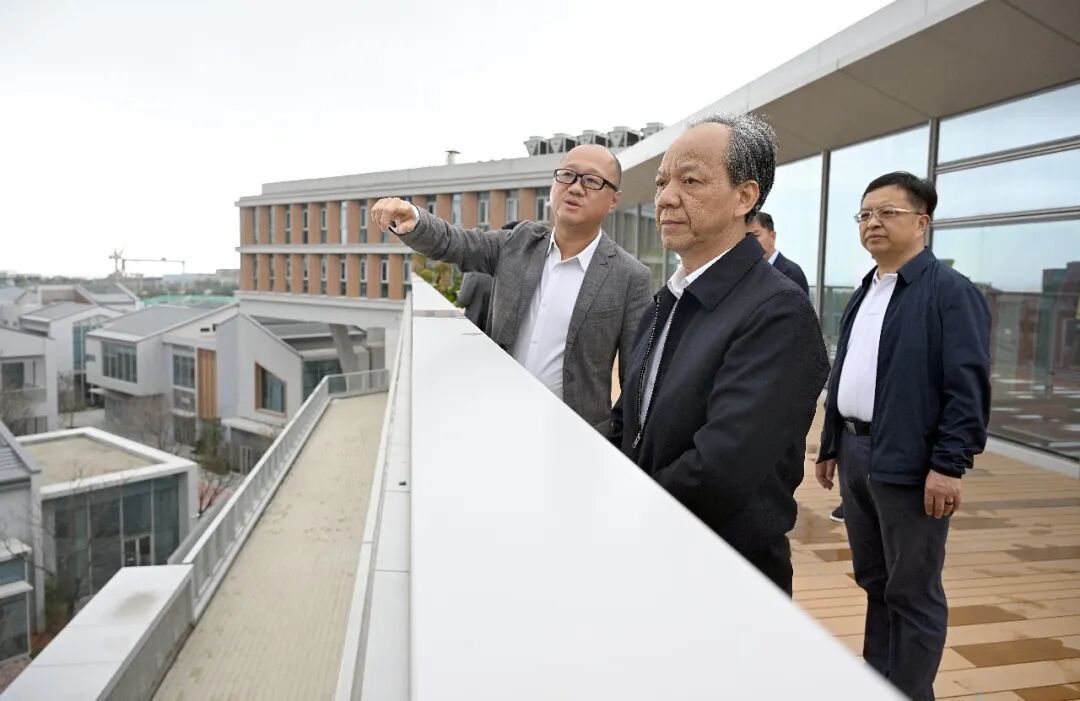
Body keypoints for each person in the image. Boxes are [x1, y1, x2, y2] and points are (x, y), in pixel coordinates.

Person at [610, 113, 830, 595]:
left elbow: (721, 467)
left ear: (744, 197)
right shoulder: (669, 300)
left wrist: (626, 510)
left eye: (690, 181)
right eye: (662, 182)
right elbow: (628, 420)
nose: (666, 198)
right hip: (649, 557)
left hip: (723, 579)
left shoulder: (778, 312)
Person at [815, 171, 991, 701]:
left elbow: (967, 387)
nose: (873, 222)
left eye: (887, 212)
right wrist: (830, 443)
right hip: (855, 453)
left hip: (911, 464)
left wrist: (948, 466)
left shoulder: (950, 293)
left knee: (913, 590)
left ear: (921, 222)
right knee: (875, 581)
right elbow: (847, 371)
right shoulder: (866, 289)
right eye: (865, 214)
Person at [371, 147, 652, 432]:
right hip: (498, 418)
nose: (576, 187)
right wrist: (414, 220)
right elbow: (456, 243)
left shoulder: (630, 276)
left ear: (613, 200)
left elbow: (635, 381)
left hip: (573, 436)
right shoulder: (518, 243)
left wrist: (613, 441)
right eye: (567, 175)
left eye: (592, 180)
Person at [455, 221, 520, 335]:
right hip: (498, 330)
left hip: (475, 325)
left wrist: (458, 295)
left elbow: (463, 300)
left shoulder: (473, 267)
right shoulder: (513, 267)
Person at [747, 211, 810, 296]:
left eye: (756, 235)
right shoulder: (748, 272)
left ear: (772, 236)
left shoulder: (792, 273)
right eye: (747, 237)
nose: (750, 241)